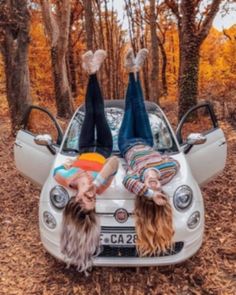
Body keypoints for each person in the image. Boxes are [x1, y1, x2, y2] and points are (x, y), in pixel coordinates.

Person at [54, 49, 119, 273]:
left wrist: (75, 172)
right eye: (93, 203)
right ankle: (94, 72)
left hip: (84, 148)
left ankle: (90, 72)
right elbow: (114, 163)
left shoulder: (65, 180)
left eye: (84, 200)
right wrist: (97, 179)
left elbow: (59, 170)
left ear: (76, 200)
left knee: (88, 112)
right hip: (103, 148)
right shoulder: (100, 187)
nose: (90, 197)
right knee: (100, 113)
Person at [118, 48, 180, 256]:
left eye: (149, 190)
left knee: (129, 108)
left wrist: (150, 193)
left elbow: (128, 183)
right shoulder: (166, 172)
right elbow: (175, 163)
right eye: (159, 189)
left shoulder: (135, 178)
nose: (154, 187)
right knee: (140, 107)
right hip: (146, 140)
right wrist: (157, 178)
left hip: (126, 143)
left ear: (143, 190)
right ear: (163, 187)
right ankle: (135, 70)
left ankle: (131, 72)